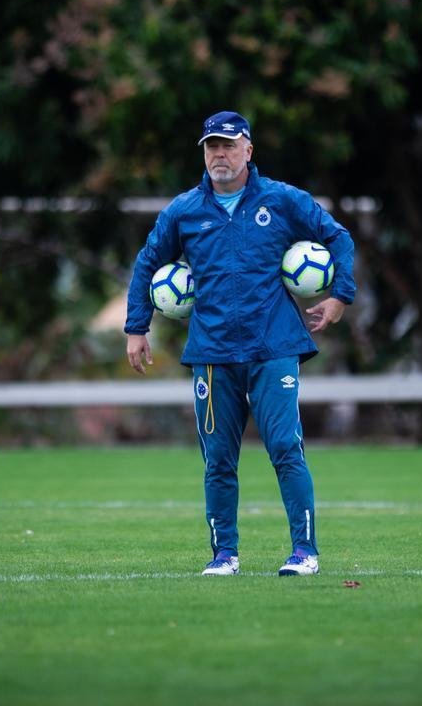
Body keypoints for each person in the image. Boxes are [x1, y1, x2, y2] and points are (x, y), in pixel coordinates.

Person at [125, 111, 355, 577]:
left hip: (273, 348)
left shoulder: (283, 200)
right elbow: (148, 261)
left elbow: (339, 237)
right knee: (218, 461)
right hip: (212, 353)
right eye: (212, 147)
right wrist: (136, 326)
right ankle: (224, 555)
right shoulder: (184, 210)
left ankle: (304, 553)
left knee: (286, 449)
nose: (220, 155)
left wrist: (340, 296)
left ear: (248, 150)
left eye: (229, 146)